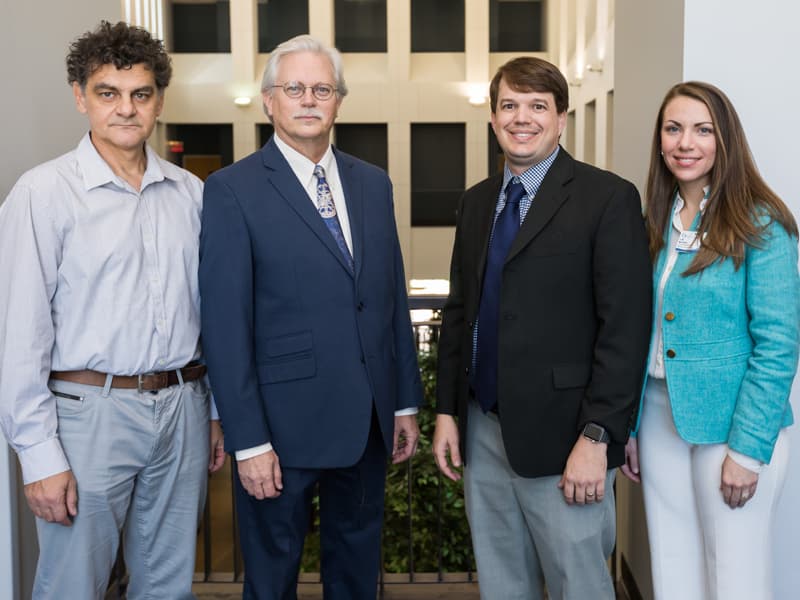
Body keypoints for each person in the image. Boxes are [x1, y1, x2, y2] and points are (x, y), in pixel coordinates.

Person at [0, 21, 225, 600]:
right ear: (81, 97)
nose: (126, 109)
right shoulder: (42, 193)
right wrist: (38, 455)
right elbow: (19, 335)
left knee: (168, 587)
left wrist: (216, 412)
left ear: (158, 102)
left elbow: (212, 316)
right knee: (73, 586)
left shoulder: (191, 194)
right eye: (108, 93)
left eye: (140, 94)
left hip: (182, 409)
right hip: (86, 419)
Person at [199, 34, 423, 600]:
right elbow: (224, 327)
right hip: (280, 432)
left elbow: (389, 297)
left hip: (367, 425)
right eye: (293, 88)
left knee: (355, 577)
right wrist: (247, 441)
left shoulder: (373, 184)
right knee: (271, 581)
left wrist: (402, 401)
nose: (308, 99)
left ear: (338, 101)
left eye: (321, 88)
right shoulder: (231, 190)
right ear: (269, 100)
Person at [432, 56, 651, 599]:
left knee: (580, 584)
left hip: (567, 437)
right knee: (503, 584)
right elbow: (460, 312)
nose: (521, 118)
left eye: (537, 106)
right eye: (509, 105)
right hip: (483, 428)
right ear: (492, 117)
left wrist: (598, 437)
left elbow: (625, 330)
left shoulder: (608, 199)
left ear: (561, 119)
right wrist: (445, 410)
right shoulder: (477, 202)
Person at [621, 81, 800, 600]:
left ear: (726, 140)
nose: (685, 142)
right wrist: (629, 427)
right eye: (673, 129)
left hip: (732, 426)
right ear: (659, 140)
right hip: (658, 421)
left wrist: (747, 450)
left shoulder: (761, 222)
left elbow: (778, 345)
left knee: (736, 580)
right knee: (673, 571)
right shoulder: (654, 223)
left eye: (703, 130)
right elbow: (641, 332)